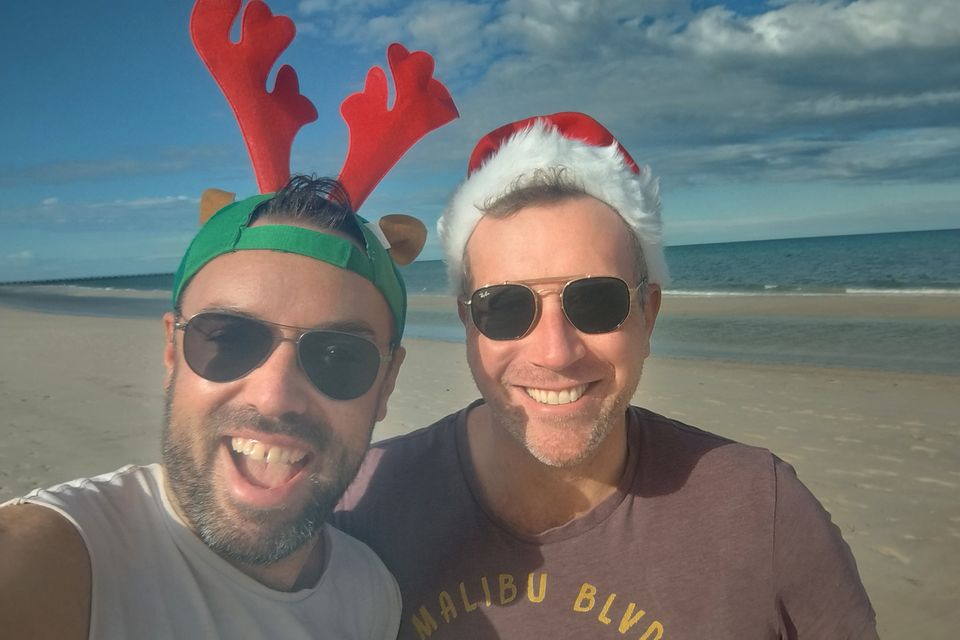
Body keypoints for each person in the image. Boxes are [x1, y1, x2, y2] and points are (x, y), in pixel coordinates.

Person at [334, 112, 879, 639]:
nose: (555, 352)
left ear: (649, 313)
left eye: (597, 301)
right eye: (505, 307)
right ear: (468, 324)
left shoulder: (763, 511)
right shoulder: (363, 509)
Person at [0, 176, 413, 638]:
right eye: (228, 338)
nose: (274, 397)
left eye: (338, 356)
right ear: (172, 352)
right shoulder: (61, 557)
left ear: (387, 383)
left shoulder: (373, 593)